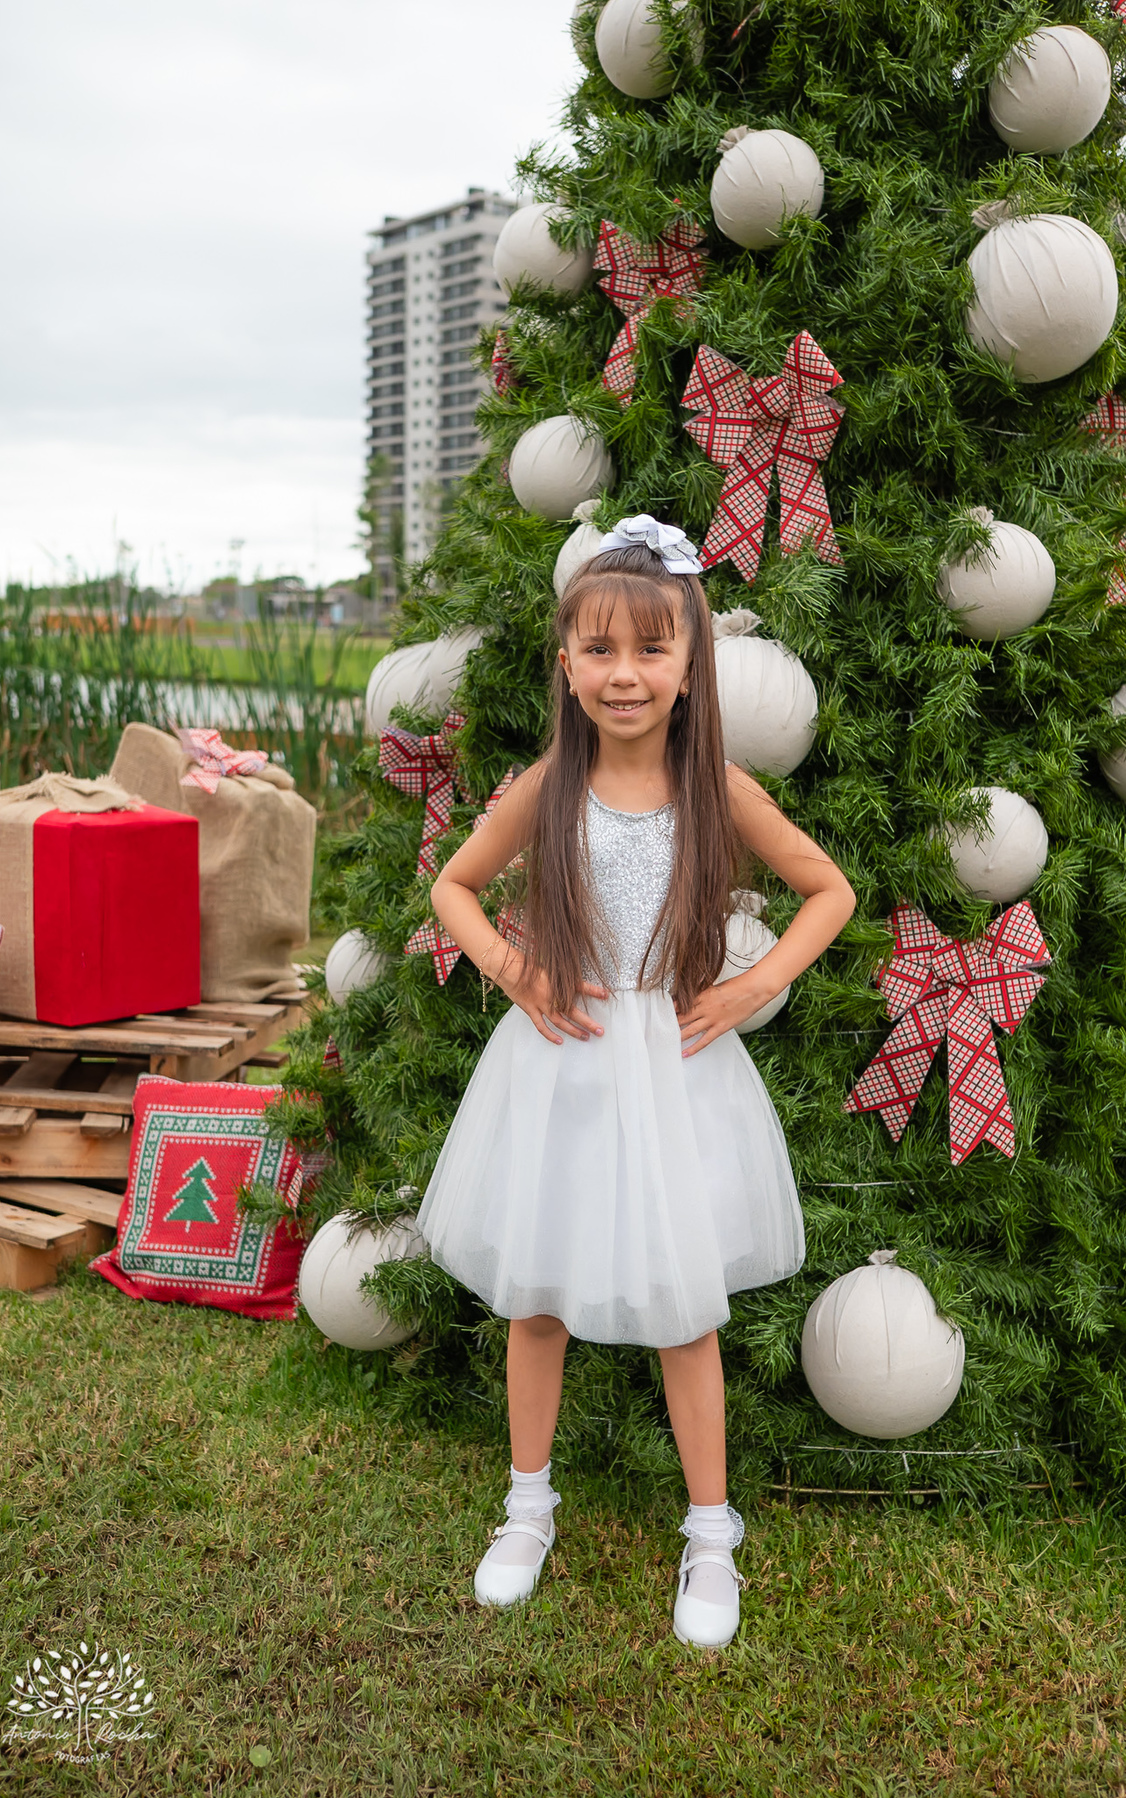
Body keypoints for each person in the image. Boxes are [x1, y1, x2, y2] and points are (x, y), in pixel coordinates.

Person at [417, 515, 856, 1647]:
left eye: (651, 649)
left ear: (690, 664)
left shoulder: (717, 787)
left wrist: (753, 989)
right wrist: (516, 971)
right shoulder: (548, 784)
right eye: (600, 649)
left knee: (683, 1309)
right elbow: (454, 888)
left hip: (673, 1070)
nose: (625, 673)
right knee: (540, 1297)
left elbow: (830, 892)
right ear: (565, 664)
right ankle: (527, 1508)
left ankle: (711, 1533)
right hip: (559, 1067)